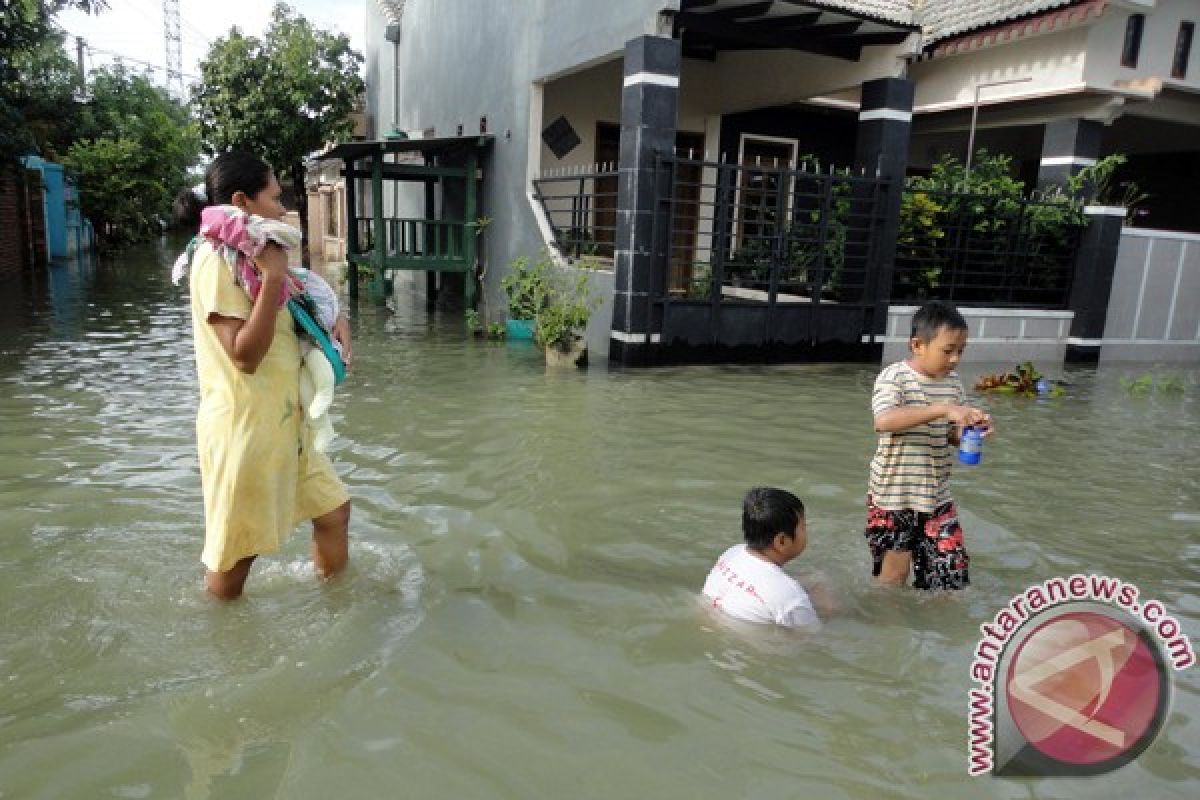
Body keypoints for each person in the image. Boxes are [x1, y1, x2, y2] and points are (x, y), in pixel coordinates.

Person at [172, 151, 352, 600]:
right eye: (274, 198)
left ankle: (338, 608)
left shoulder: (255, 253)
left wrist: (336, 325)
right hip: (245, 428)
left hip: (286, 422)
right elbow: (244, 356)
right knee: (236, 558)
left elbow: (299, 315)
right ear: (241, 201)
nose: (282, 209)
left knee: (333, 512)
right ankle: (224, 644)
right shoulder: (217, 259)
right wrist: (272, 279)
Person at [865, 299, 992, 591]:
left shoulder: (954, 383)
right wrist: (943, 409)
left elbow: (949, 433)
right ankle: (892, 630)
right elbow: (883, 421)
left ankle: (938, 633)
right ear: (917, 345)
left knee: (950, 573)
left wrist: (970, 431)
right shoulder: (894, 377)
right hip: (893, 495)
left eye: (961, 351)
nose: (955, 359)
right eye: (947, 351)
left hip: (936, 494)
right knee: (893, 578)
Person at [702, 487, 821, 629]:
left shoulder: (733, 553)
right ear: (781, 541)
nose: (806, 531)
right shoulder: (791, 598)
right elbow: (812, 639)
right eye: (803, 527)